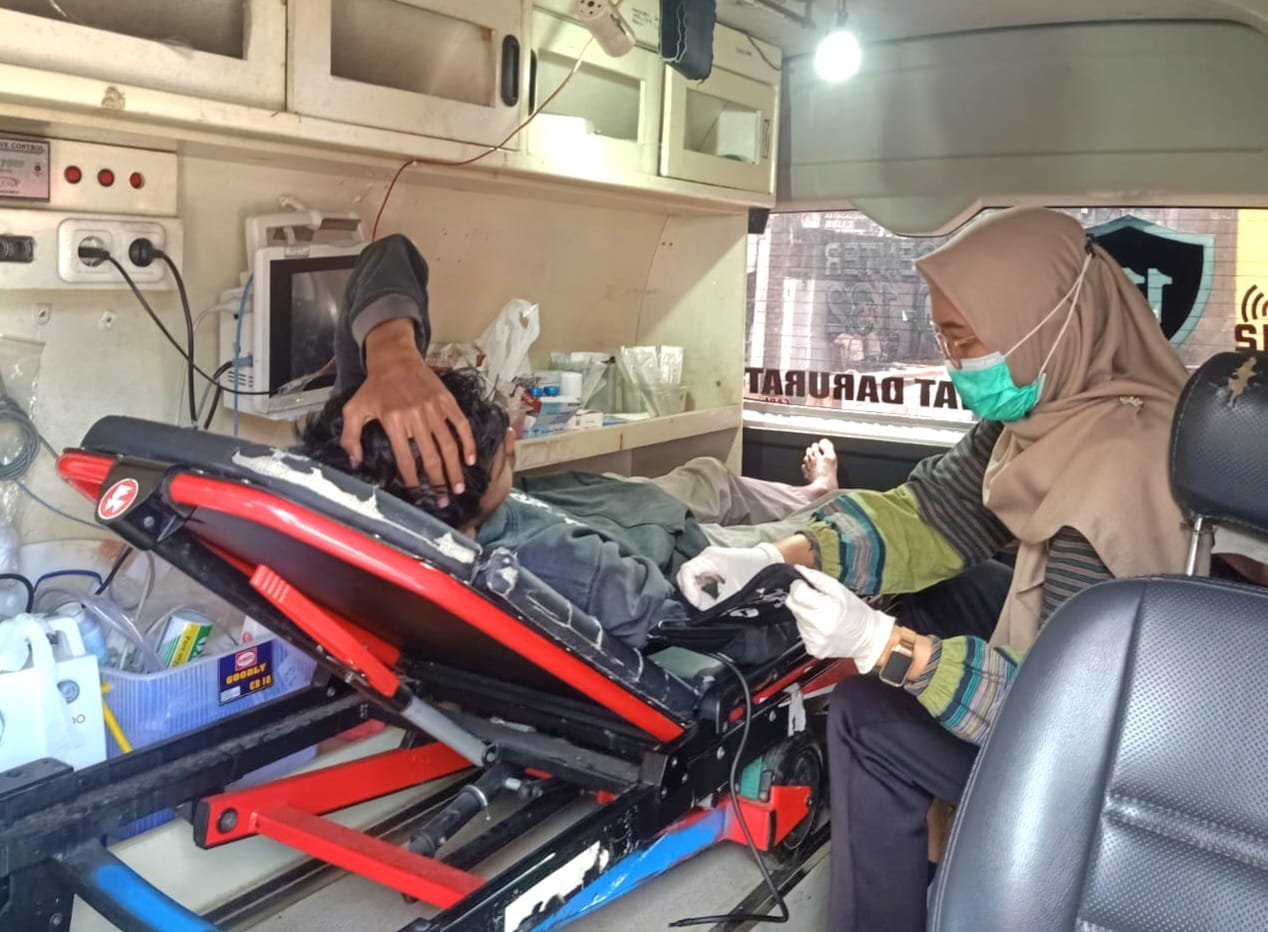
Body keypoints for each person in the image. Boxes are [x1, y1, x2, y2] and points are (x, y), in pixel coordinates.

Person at [675, 207, 1198, 931]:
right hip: (1067, 681)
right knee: (945, 585)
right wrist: (779, 554)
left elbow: (1053, 714)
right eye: (944, 336)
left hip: (1101, 764)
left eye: (966, 339)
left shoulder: (1120, 477)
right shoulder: (1053, 411)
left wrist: (885, 649)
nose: (954, 361)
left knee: (862, 715)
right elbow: (927, 515)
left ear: (1046, 325)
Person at [310, 233, 844, 648]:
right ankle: (823, 502)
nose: (512, 436)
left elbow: (390, 254)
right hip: (683, 548)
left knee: (710, 476)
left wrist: (392, 355)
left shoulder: (367, 463)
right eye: (503, 453)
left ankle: (809, 493)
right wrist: (786, 561)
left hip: (613, 502)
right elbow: (690, 621)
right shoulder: (558, 567)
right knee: (833, 531)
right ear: (458, 493)